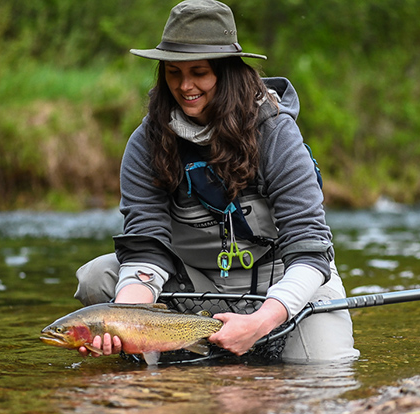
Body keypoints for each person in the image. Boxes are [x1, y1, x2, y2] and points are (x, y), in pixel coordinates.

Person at [74, 0, 359, 362]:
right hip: (193, 284)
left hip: (282, 283)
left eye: (199, 72)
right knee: (97, 276)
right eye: (173, 73)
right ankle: (149, 376)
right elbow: (146, 247)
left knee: (324, 373)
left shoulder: (275, 133)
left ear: (226, 73)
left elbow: (309, 249)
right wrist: (121, 321)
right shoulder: (146, 143)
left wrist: (261, 321)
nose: (185, 85)